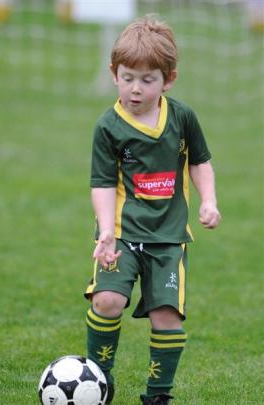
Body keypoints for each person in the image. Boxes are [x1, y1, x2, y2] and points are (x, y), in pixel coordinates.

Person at [84, 15, 221, 405]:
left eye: (148, 80)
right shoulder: (108, 126)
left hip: (169, 238)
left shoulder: (182, 118)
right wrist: (106, 230)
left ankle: (158, 395)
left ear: (168, 79)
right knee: (107, 300)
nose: (136, 89)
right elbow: (102, 183)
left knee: (167, 316)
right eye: (128, 77)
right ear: (114, 73)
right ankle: (98, 381)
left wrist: (208, 200)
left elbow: (200, 161)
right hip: (122, 234)